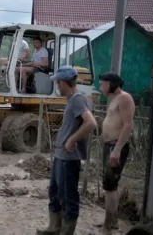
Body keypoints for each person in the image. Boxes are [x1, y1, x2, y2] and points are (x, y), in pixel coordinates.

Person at [36, 65, 97, 235]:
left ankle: (66, 231)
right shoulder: (72, 100)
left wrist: (72, 139)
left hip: (69, 158)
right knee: (55, 192)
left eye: (58, 83)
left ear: (64, 83)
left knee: (67, 196)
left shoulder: (78, 99)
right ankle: (54, 227)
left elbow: (91, 123)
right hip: (61, 155)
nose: (57, 87)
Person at [94, 72, 135, 235]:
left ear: (111, 84)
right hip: (110, 145)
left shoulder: (125, 98)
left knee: (109, 186)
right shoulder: (114, 100)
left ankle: (107, 227)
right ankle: (113, 222)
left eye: (102, 84)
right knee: (110, 186)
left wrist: (117, 150)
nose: (100, 87)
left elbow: (128, 125)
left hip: (115, 147)